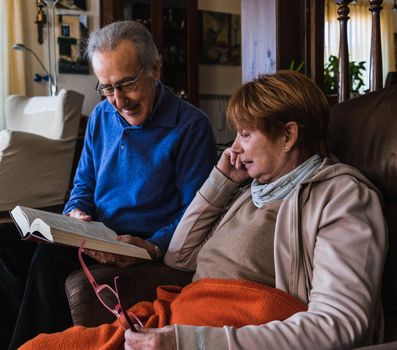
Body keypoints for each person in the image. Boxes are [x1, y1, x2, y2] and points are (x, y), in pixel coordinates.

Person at [20, 70, 387, 350]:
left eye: (245, 134)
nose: (234, 148)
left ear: (288, 136)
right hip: (181, 316)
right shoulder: (250, 188)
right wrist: (220, 181)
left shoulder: (340, 196)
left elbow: (340, 321)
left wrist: (190, 341)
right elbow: (180, 257)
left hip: (216, 333)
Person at [2, 20, 216, 349]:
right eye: (107, 87)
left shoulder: (190, 126)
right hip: (95, 237)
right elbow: (83, 185)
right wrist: (75, 214)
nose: (119, 100)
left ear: (155, 69)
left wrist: (152, 246)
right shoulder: (102, 116)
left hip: (139, 246)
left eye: (127, 83)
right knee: (5, 243)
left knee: (46, 262)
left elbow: (196, 213)